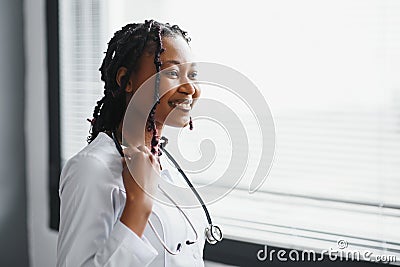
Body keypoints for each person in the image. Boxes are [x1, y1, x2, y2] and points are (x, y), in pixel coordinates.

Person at [56, 20, 209, 267]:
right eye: (171, 73)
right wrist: (138, 206)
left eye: (192, 75)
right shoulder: (91, 169)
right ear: (126, 80)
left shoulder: (164, 162)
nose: (190, 88)